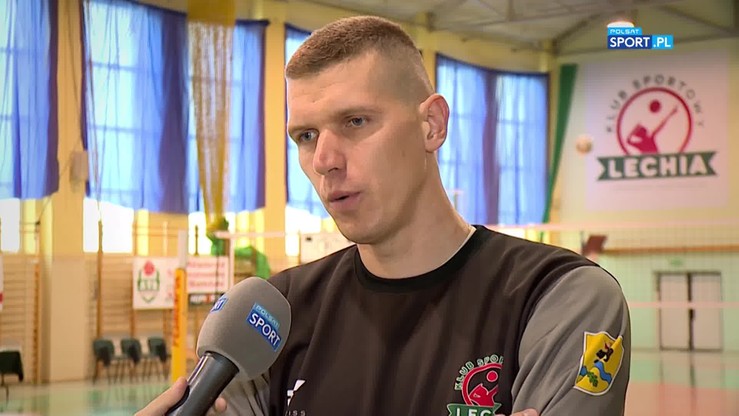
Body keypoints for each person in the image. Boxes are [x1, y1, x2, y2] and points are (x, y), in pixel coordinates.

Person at [137, 15, 630, 416]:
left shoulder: (559, 297)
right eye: (306, 136)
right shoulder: (273, 316)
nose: (325, 160)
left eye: (355, 121)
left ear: (431, 125)